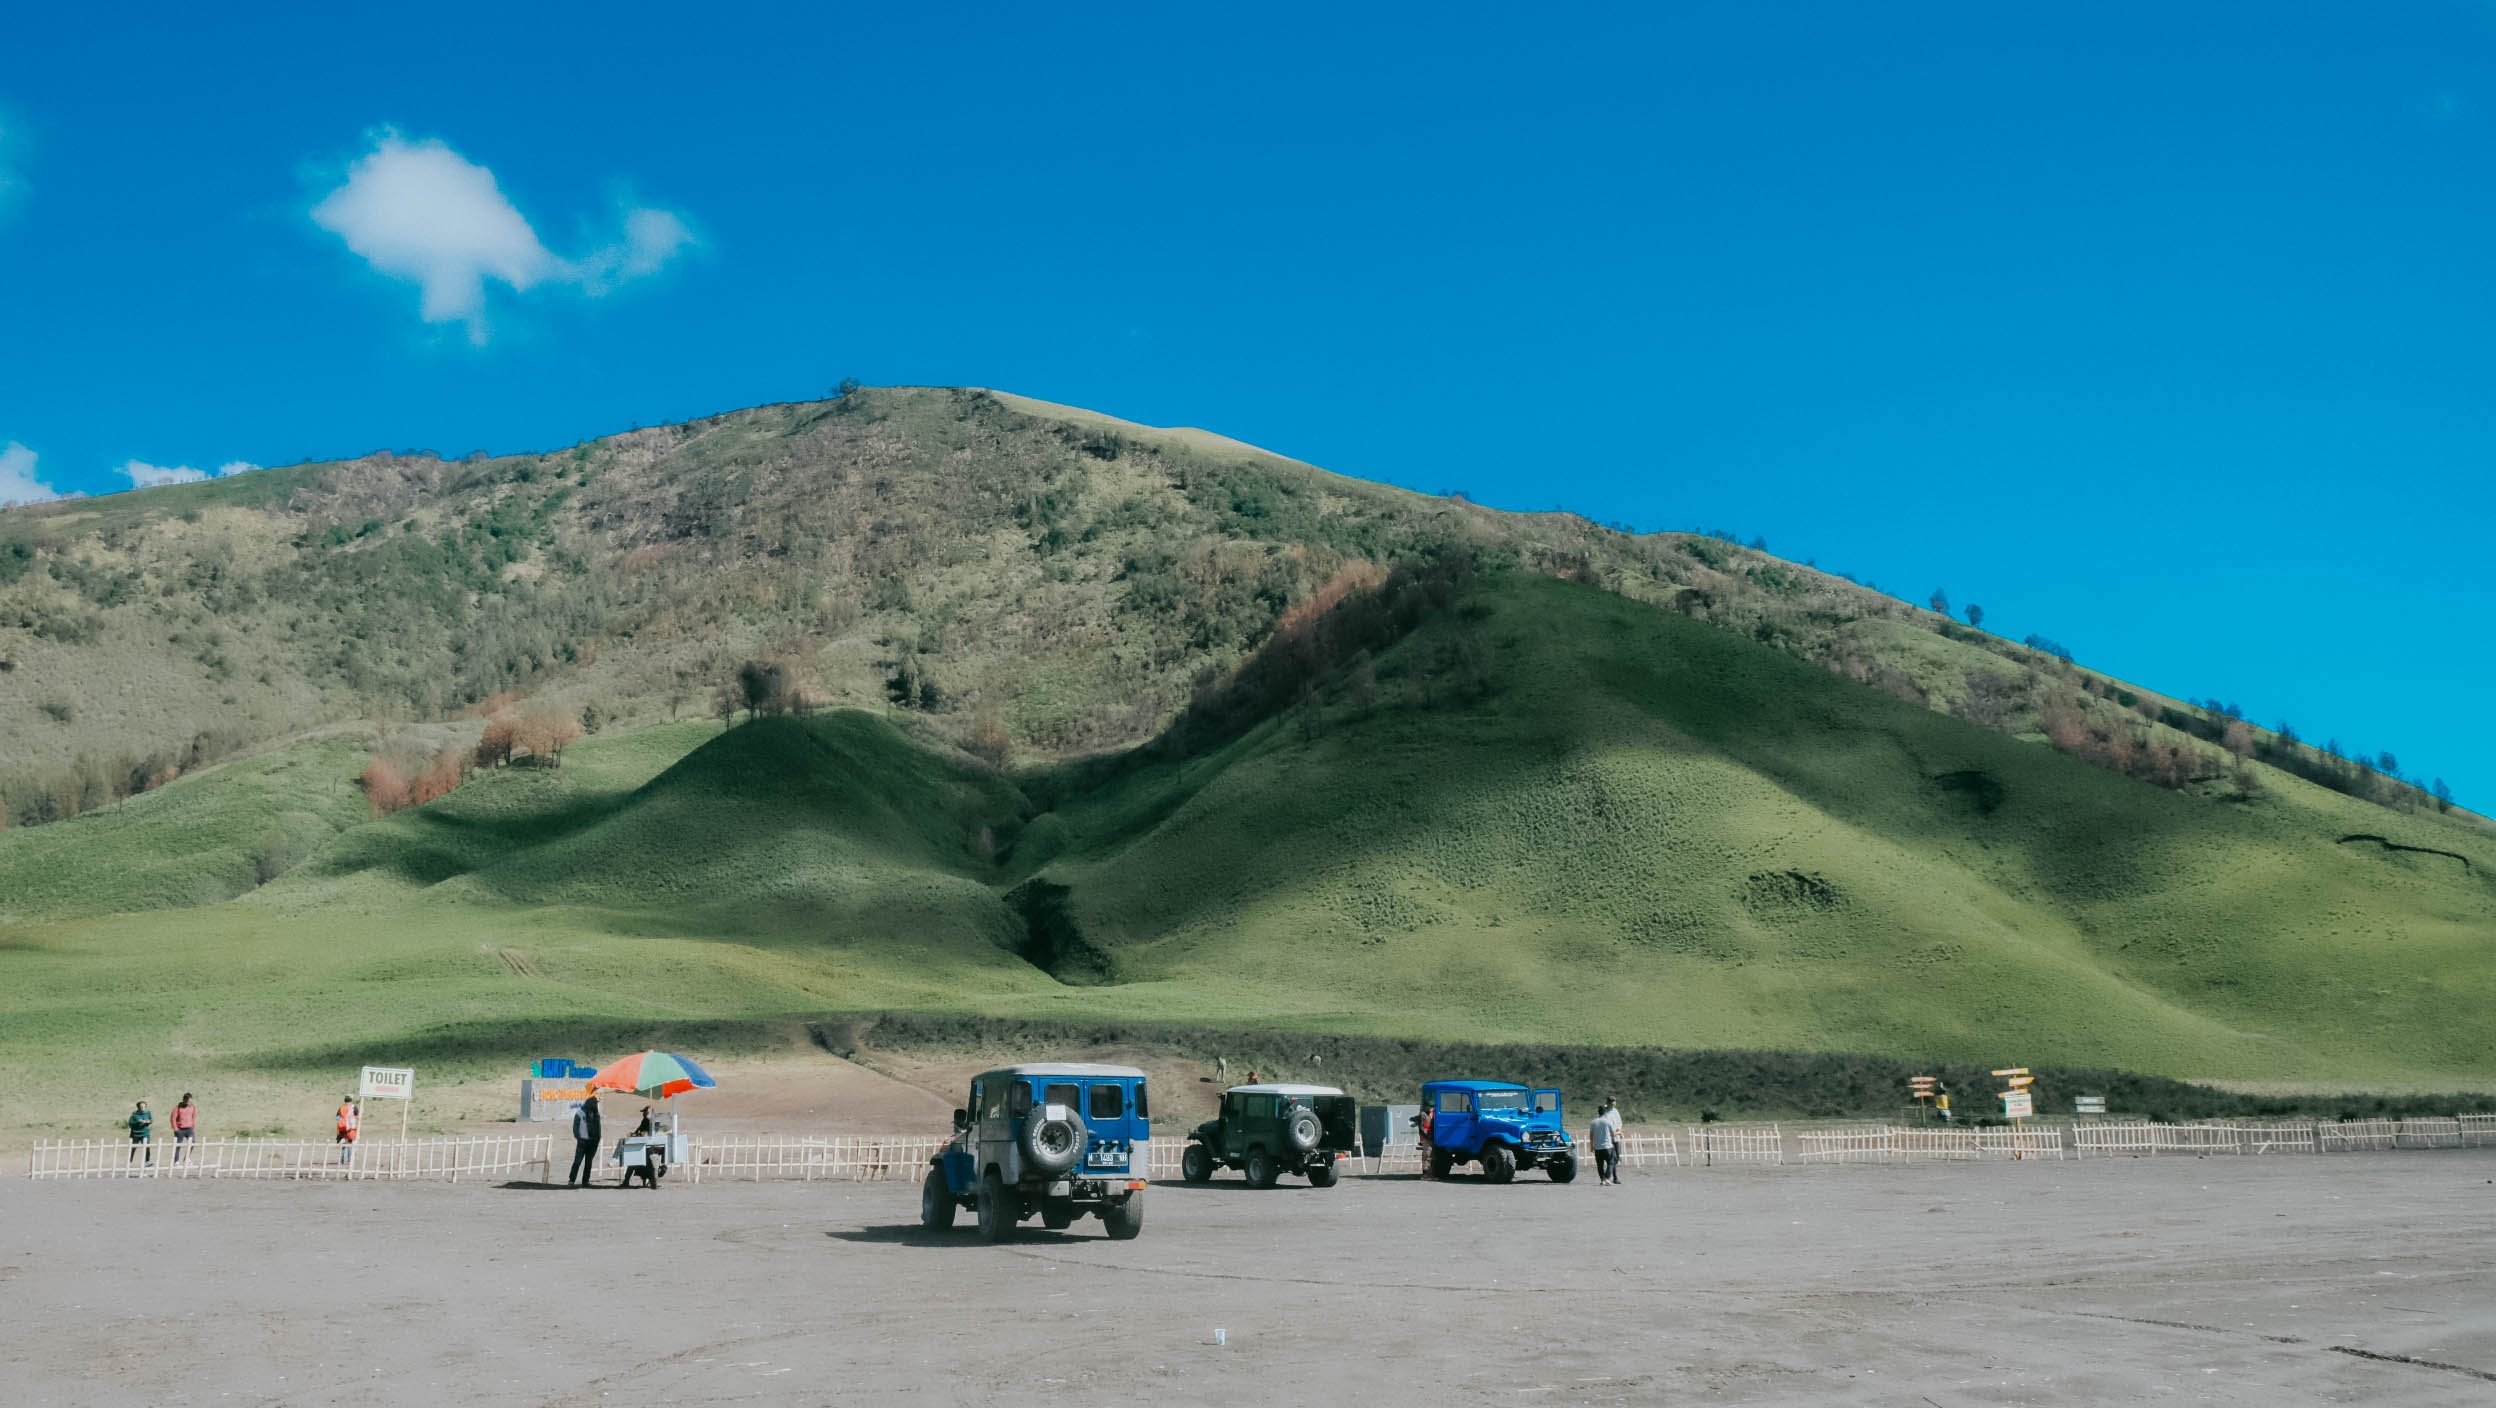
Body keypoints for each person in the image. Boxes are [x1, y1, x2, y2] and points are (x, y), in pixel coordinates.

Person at [569, 1093, 602, 1188]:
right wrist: (579, 1138)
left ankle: (585, 1181)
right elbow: (575, 1128)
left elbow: (598, 1128)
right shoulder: (580, 1113)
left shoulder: (596, 1113)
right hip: (582, 1142)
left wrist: (597, 1139)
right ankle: (571, 1180)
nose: (596, 1105)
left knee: (588, 1163)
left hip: (593, 1142)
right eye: (595, 1103)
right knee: (577, 1161)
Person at [1590, 1097, 1625, 1185]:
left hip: (1614, 1138)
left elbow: (1619, 1122)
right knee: (1611, 1160)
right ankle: (1610, 1177)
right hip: (1608, 1139)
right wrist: (1617, 1133)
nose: (1613, 1103)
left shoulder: (1615, 1111)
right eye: (1612, 1102)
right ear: (1608, 1102)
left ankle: (1608, 1178)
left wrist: (1619, 1130)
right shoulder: (1605, 1111)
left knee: (1616, 1158)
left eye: (1614, 1102)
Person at [170, 1093, 198, 1164]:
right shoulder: (177, 1108)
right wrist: (175, 1129)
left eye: (190, 1100)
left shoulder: (192, 1107)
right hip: (180, 1129)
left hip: (189, 1129)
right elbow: (173, 1118)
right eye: (187, 1100)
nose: (188, 1102)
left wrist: (192, 1126)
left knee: (192, 1142)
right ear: (184, 1099)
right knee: (178, 1145)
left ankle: (187, 1158)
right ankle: (176, 1161)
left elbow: (193, 1117)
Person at [127, 1101, 153, 1168]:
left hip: (145, 1133)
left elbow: (151, 1120)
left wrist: (148, 1121)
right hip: (135, 1134)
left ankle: (147, 1162)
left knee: (147, 1147)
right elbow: (130, 1123)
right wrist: (138, 1121)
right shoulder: (134, 1115)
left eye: (144, 1107)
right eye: (141, 1107)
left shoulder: (148, 1113)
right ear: (138, 1107)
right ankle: (129, 1162)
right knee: (133, 1148)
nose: (143, 1108)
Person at [335, 1096, 359, 1165]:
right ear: (351, 1100)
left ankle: (342, 1161)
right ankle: (349, 1160)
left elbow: (337, 1118)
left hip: (342, 1127)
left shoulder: (341, 1107)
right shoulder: (354, 1107)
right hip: (350, 1128)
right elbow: (357, 1116)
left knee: (343, 1144)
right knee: (350, 1143)